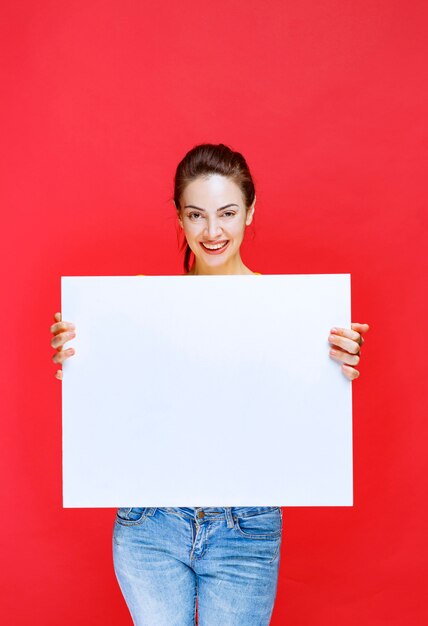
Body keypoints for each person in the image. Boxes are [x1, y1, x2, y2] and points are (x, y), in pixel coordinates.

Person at [50, 143, 370, 626]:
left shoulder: (292, 315)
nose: (213, 231)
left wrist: (334, 364)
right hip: (150, 524)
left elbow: (300, 415)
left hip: (246, 529)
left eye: (227, 213)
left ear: (250, 211)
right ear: (179, 218)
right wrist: (79, 362)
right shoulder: (137, 306)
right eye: (196, 214)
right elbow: (109, 401)